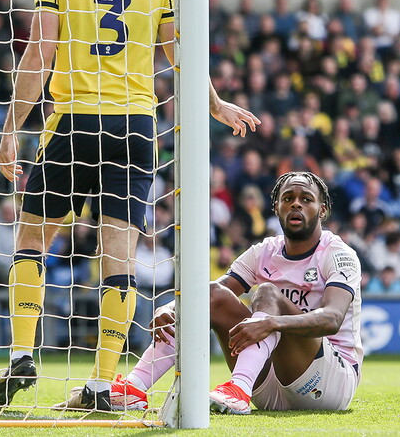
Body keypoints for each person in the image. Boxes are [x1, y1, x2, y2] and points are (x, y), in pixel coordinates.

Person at [0, 0, 260, 411]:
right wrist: (216, 105)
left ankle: (22, 350)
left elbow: (40, 52)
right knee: (119, 255)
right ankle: (102, 383)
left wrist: (10, 130)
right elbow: (179, 55)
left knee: (32, 236)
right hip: (135, 126)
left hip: (73, 120)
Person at [108, 172, 363, 415]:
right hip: (268, 384)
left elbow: (332, 318)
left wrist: (272, 322)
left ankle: (239, 386)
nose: (296, 204)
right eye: (288, 198)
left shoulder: (338, 254)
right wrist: (171, 309)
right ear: (276, 208)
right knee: (211, 294)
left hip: (330, 383)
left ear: (322, 210)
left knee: (267, 293)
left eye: (306, 199)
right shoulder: (264, 251)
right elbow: (209, 298)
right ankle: (135, 386)